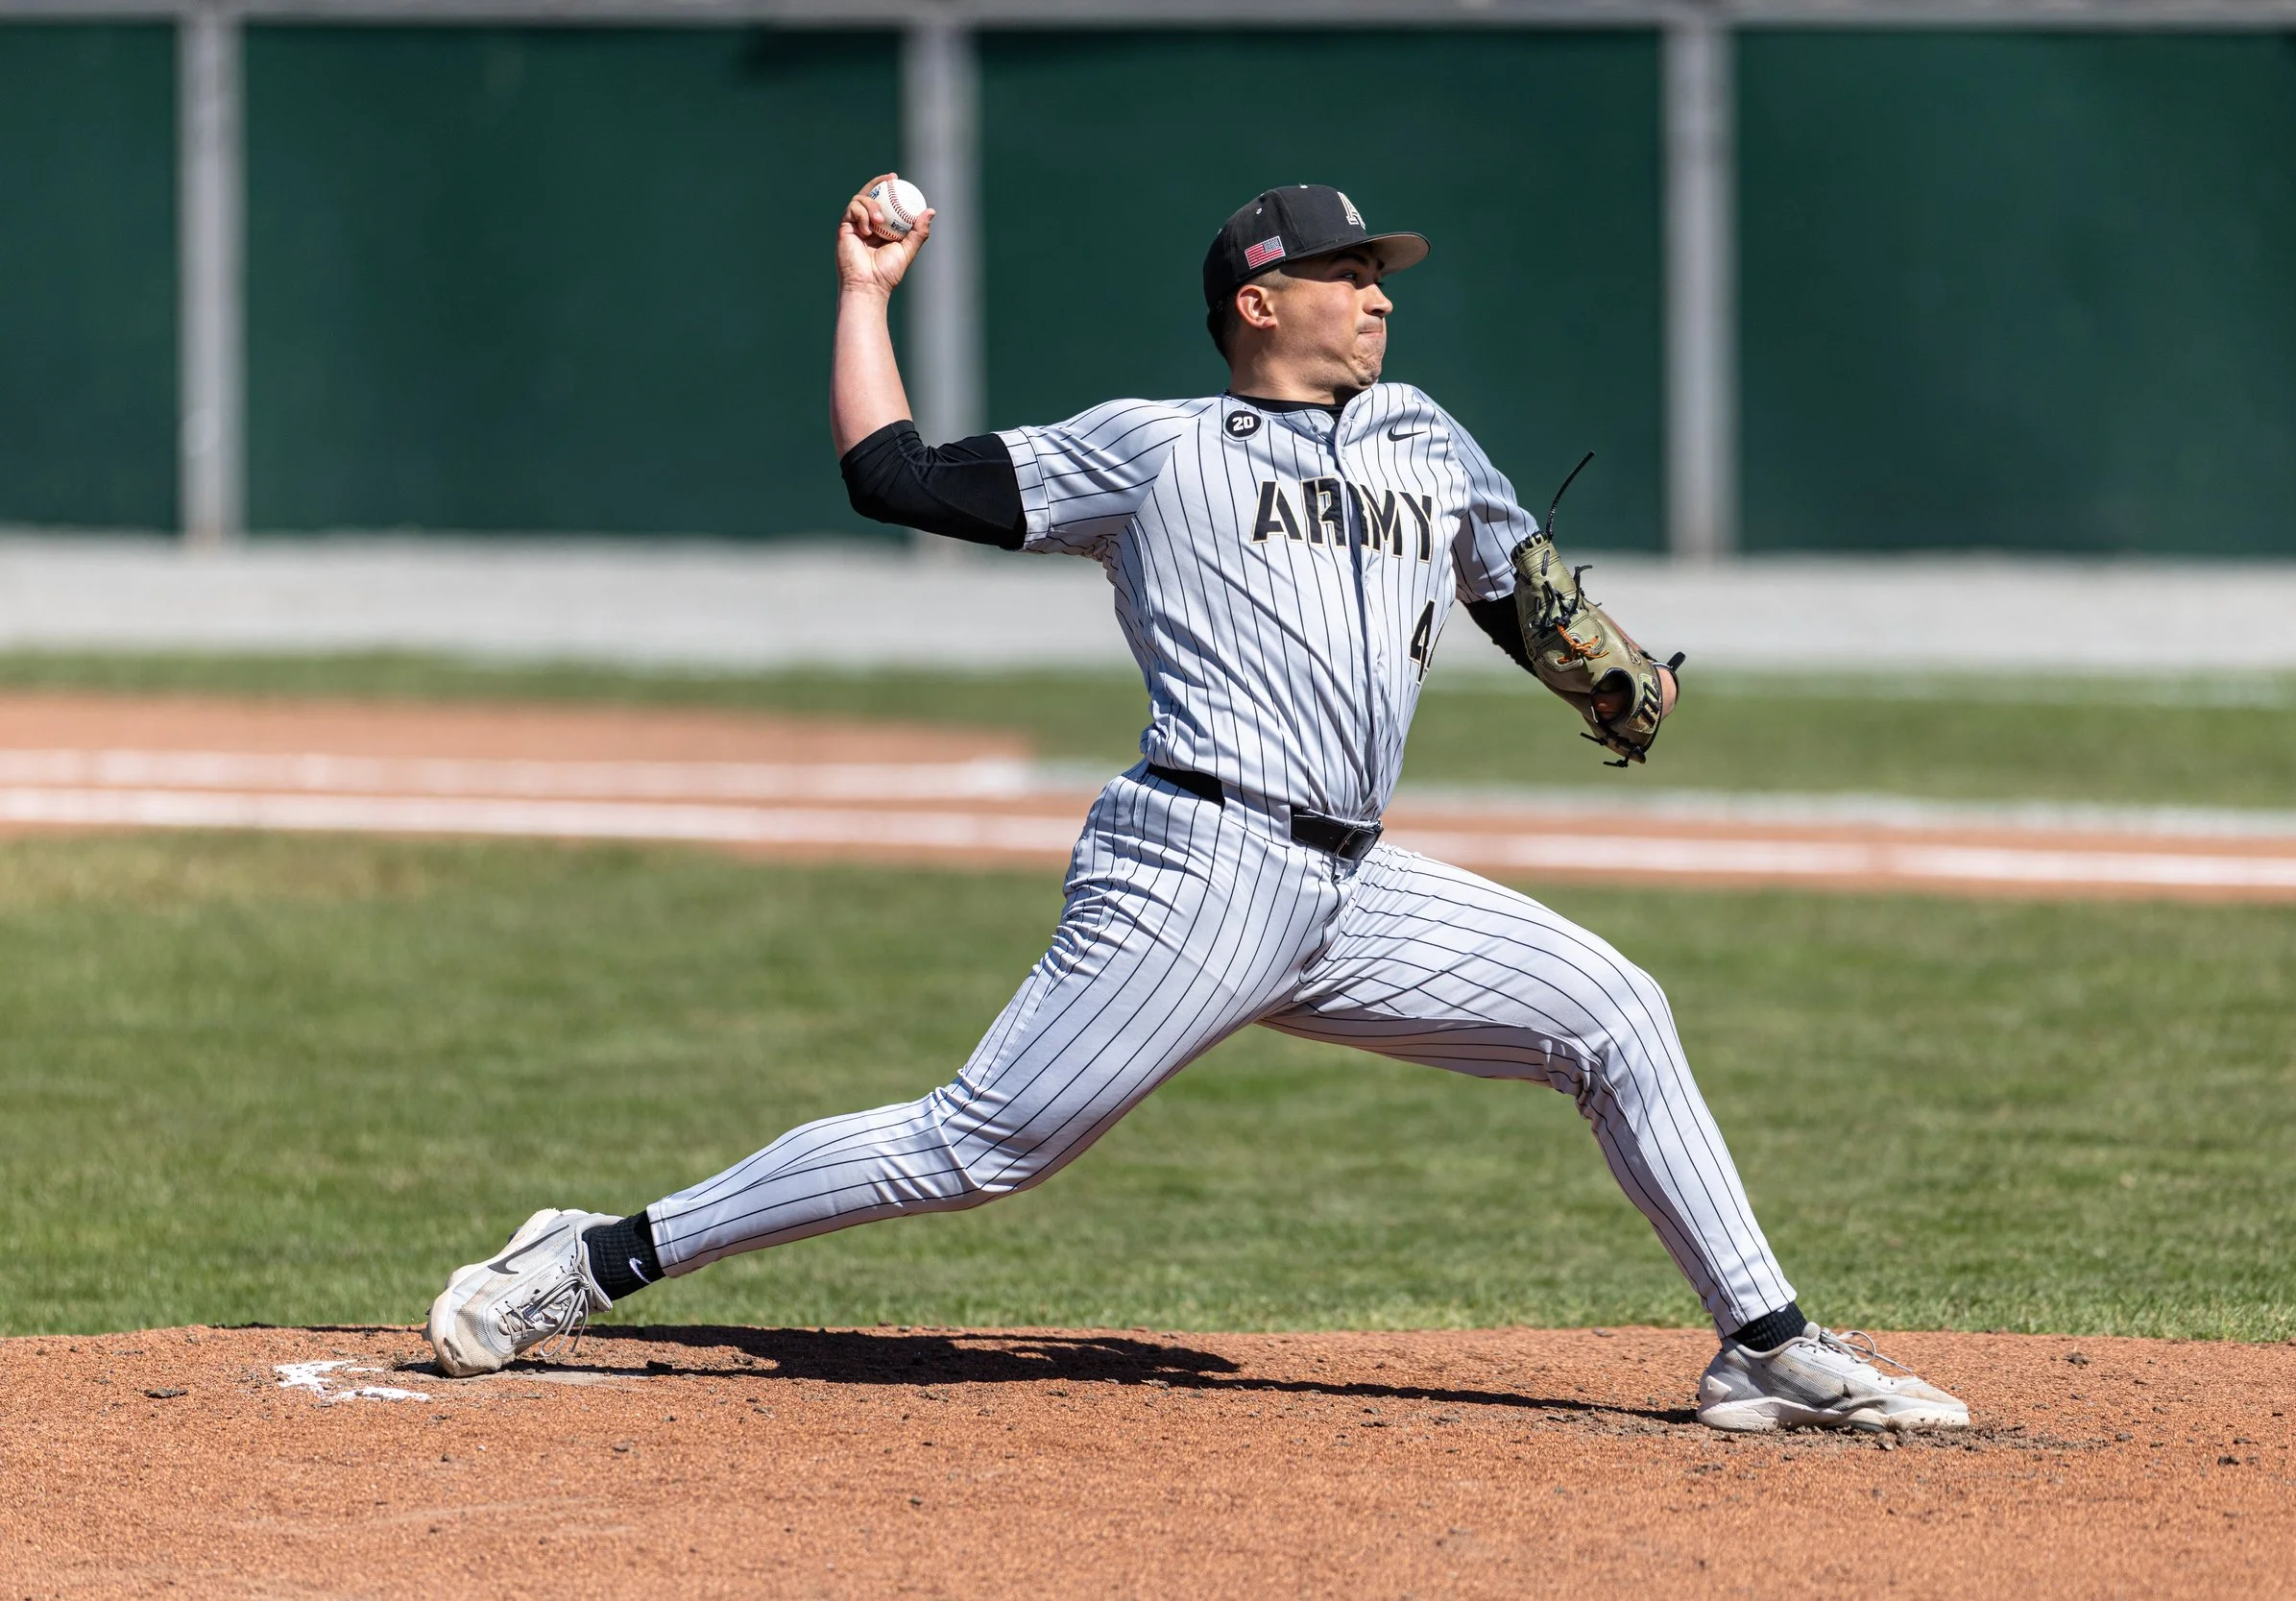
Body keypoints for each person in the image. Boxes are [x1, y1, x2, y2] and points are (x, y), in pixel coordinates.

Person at [425, 179, 1970, 1434]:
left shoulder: (1425, 433)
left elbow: (1521, 592)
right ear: (1258, 300)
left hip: (1358, 887)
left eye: (1381, 271)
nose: (1378, 291)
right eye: (1346, 271)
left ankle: (1761, 1342)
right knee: (981, 1145)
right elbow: (893, 476)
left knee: (1617, 1012)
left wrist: (1607, 672)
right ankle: (593, 1251)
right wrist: (862, 296)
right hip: (1198, 864)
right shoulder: (1155, 451)